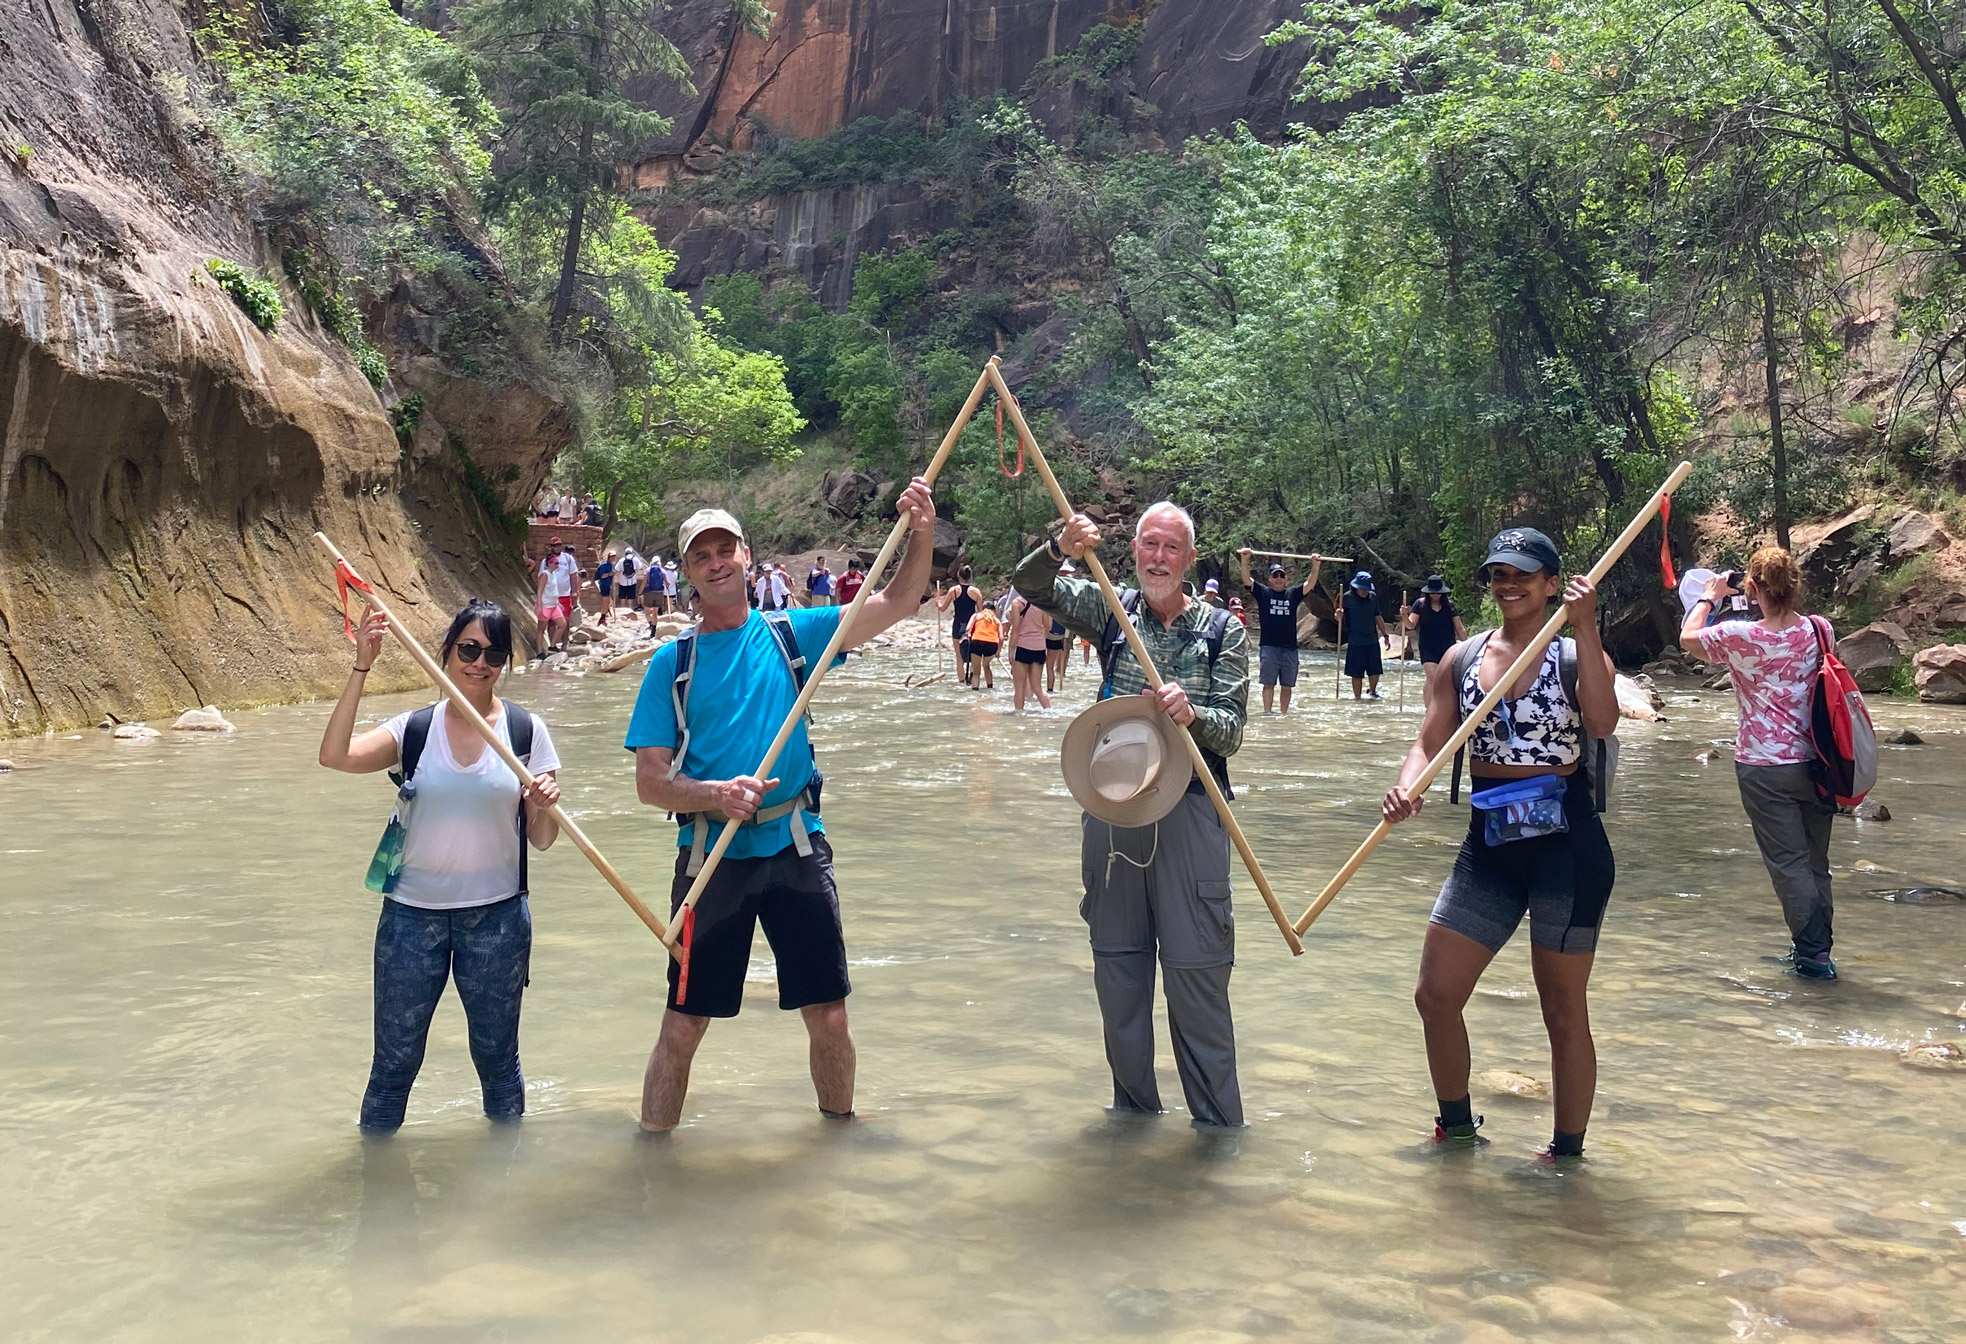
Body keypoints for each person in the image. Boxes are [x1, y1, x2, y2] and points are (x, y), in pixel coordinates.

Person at [627, 485, 938, 1131]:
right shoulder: (671, 665)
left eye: (725, 550)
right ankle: (651, 1159)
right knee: (683, 1027)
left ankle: (839, 1138)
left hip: (797, 847)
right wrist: (714, 793)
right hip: (711, 856)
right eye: (701, 555)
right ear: (687, 572)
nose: (716, 563)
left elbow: (900, 601)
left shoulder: (797, 634)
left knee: (829, 1016)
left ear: (747, 558)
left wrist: (922, 530)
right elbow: (651, 782)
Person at [1381, 528, 1618, 1160]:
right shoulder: (1462, 659)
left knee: (1561, 1007)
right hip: (1491, 840)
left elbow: (1601, 721)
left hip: (1566, 844)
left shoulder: (1573, 654)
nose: (1508, 584)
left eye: (1523, 574)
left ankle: (1566, 1155)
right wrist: (1407, 788)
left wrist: (1588, 626)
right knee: (1435, 995)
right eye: (1497, 574)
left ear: (1549, 584)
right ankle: (1457, 1129)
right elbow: (1429, 743)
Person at [1013, 502, 1251, 1130]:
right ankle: (1133, 1128)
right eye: (1150, 544)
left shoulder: (1222, 628)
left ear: (1189, 560)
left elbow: (1230, 736)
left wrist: (1192, 714)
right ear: (1135, 550)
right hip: (1112, 811)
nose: (1158, 558)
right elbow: (1030, 586)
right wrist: (1061, 545)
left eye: (1172, 548)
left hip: (1193, 813)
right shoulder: (1112, 610)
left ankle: (1219, 1135)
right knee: (1118, 975)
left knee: (1196, 978)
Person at [318, 599, 562, 1131]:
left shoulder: (524, 732)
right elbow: (334, 756)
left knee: (499, 1066)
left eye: (493, 653)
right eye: (468, 649)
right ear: (447, 653)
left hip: (497, 919)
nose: (480, 663)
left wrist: (542, 805)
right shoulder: (414, 730)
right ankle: (376, 1193)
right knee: (392, 1067)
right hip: (410, 920)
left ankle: (502, 1184)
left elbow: (542, 841)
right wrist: (362, 665)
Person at [1679, 548, 1840, 980]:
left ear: (1752, 588)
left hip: (1764, 767)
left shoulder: (1739, 636)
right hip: (1821, 761)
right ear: (1795, 585)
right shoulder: (1820, 629)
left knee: (1788, 864)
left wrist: (1710, 597)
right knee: (1815, 863)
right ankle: (1817, 947)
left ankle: (1813, 957)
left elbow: (1688, 638)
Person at [1237, 549, 1323, 714]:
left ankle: (1284, 714)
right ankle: (1267, 713)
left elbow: (1309, 584)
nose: (1278, 579)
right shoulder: (1263, 593)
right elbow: (1247, 580)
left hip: (1289, 647)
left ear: (1285, 579)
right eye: (1275, 576)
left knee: (1287, 685)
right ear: (1270, 579)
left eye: (1281, 576)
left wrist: (1315, 566)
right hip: (1269, 646)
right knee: (1268, 683)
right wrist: (1245, 560)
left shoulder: (1293, 594)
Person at [1406, 574, 1467, 710]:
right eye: (1432, 592)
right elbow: (1410, 625)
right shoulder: (1420, 604)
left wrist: (1467, 644)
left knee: (1445, 679)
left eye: (1437, 592)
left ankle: (1444, 707)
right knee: (1432, 677)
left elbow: (1459, 627)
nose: (1435, 595)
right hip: (1427, 646)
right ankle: (1430, 709)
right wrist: (1404, 616)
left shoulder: (1449, 606)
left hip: (1447, 645)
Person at [1342, 570, 1392, 700]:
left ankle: (1372, 691)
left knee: (1375, 669)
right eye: (1361, 589)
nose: (1364, 591)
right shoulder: (1347, 598)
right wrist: (1338, 615)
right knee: (1356, 672)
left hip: (1372, 639)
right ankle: (1357, 697)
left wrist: (1385, 634)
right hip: (1355, 640)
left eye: (1366, 589)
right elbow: (1339, 617)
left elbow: (1378, 616)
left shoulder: (1373, 597)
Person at [1007, 591, 1054, 711]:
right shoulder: (1041, 602)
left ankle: (1019, 716)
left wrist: (1011, 649)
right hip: (1039, 647)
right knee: (1037, 687)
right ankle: (1049, 711)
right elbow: (1048, 626)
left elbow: (1016, 629)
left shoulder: (1017, 603)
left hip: (1023, 646)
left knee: (1019, 687)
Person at [937, 568, 981, 684]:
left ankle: (961, 681)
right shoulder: (976, 592)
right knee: (973, 655)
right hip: (972, 626)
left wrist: (938, 603)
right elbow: (981, 613)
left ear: (959, 576)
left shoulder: (954, 591)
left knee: (959, 657)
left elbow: (942, 608)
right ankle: (971, 679)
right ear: (970, 576)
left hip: (958, 625)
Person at [965, 601, 1003, 689]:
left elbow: (967, 629)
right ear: (994, 610)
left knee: (976, 672)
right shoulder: (996, 621)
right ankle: (990, 687)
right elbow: (1001, 638)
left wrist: (969, 635)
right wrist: (998, 651)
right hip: (991, 644)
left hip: (976, 642)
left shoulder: (976, 616)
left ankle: (975, 691)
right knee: (986, 666)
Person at [614, 548, 642, 619]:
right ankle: (629, 612)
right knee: (630, 597)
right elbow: (640, 566)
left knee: (622, 597)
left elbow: (617, 569)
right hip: (632, 581)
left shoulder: (622, 560)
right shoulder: (635, 559)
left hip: (622, 581)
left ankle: (622, 612)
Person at [595, 549, 616, 626]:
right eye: (611, 556)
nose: (613, 558)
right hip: (603, 585)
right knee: (605, 601)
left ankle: (604, 616)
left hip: (608, 585)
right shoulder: (604, 565)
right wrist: (610, 574)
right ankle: (602, 617)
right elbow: (602, 576)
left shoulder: (611, 565)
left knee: (607, 602)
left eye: (614, 556)